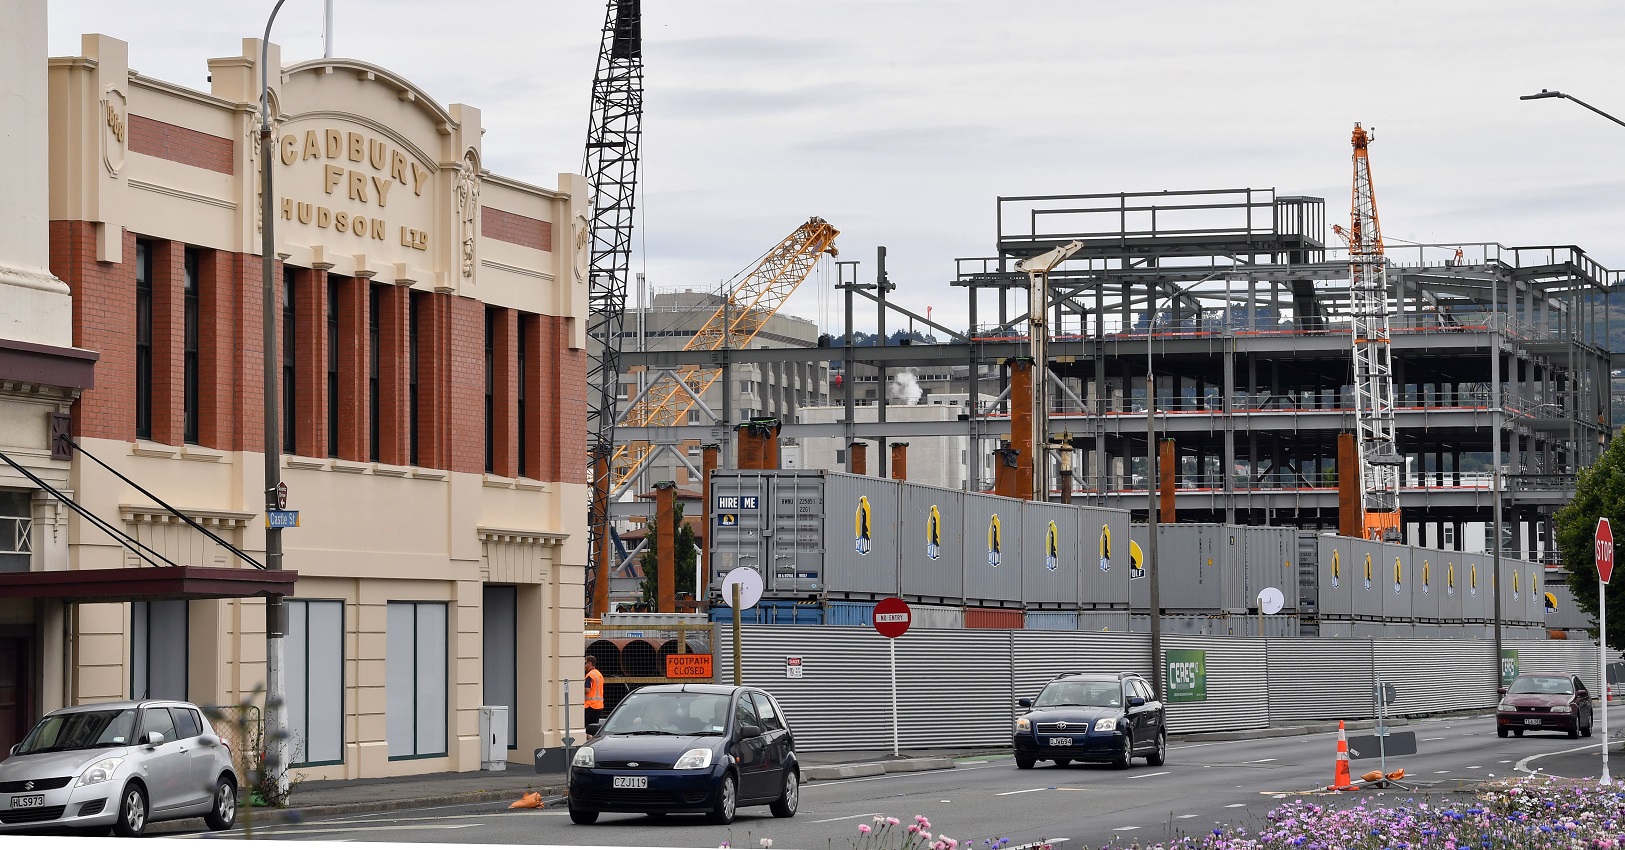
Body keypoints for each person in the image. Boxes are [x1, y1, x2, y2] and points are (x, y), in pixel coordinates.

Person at [584, 655, 605, 728]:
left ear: (589, 663)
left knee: (587, 728)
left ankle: (589, 739)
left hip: (590, 705)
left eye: (585, 663)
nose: (584, 665)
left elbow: (587, 689)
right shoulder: (599, 674)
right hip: (599, 705)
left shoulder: (590, 675)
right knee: (593, 727)